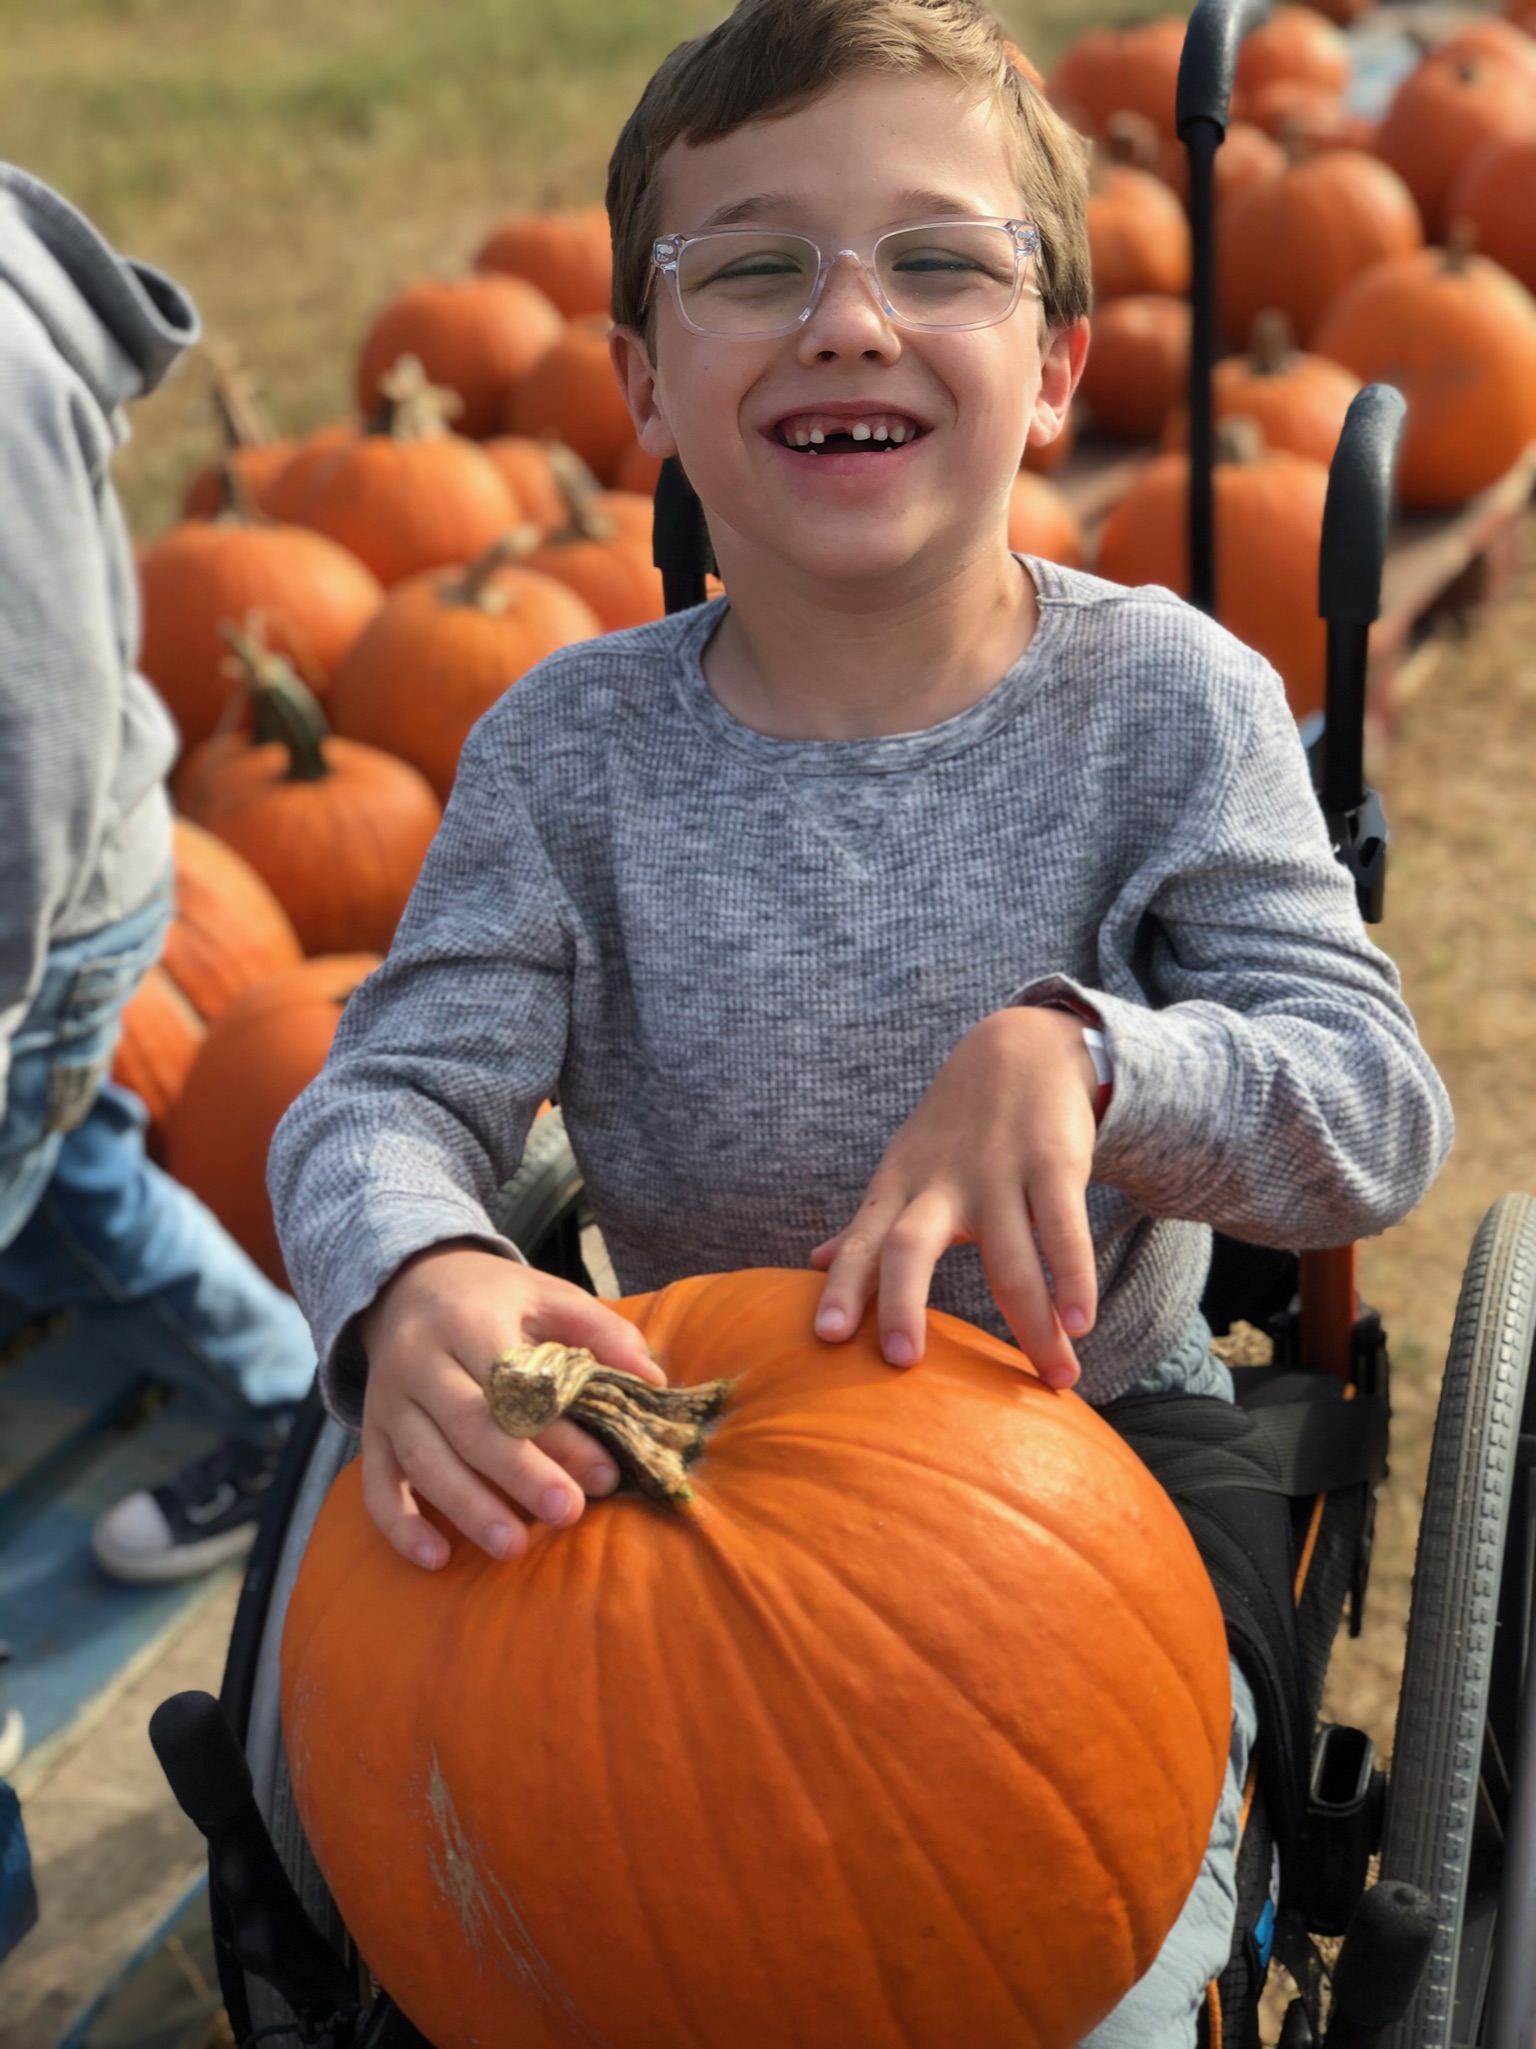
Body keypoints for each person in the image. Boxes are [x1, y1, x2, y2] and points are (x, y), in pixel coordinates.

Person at [268, 2, 1453, 2040]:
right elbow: (378, 1094)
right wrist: (426, 1263)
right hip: (665, 1450)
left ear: (1060, 364)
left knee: (1044, 1969)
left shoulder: (1171, 703)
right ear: (642, 376)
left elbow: (1368, 1109)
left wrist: (1097, 1058)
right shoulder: (566, 753)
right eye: (752, 265)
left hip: (1088, 1466)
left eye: (937, 258)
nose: (844, 319)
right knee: (497, 1924)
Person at [0, 163, 316, 1598]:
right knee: (81, 1186)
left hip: (35, 929)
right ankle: (295, 1404)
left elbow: (29, 745)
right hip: (57, 906)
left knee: (64, 1164)